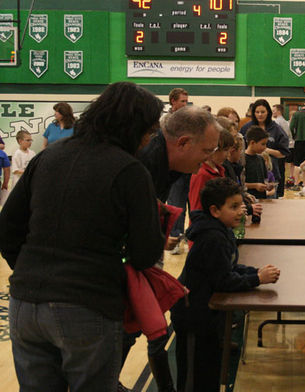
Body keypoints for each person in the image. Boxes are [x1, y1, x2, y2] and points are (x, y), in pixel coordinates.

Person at [0, 81, 164, 392]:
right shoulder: (130, 170)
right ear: (133, 126)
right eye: (149, 130)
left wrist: (27, 269)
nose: (149, 138)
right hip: (87, 303)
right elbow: (145, 253)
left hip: (25, 302)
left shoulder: (47, 158)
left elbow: (7, 228)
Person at [134, 104, 220, 392]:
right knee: (138, 333)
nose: (209, 158)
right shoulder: (143, 165)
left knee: (149, 333)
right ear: (183, 142)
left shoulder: (162, 165)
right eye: (207, 151)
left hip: (138, 263)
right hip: (116, 272)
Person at [171, 178, 280, 392]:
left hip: (208, 317)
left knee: (209, 370)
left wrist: (255, 272)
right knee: (194, 378)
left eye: (241, 205)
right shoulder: (212, 238)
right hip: (193, 316)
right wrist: (257, 279)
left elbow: (228, 267)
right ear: (215, 210)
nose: (241, 211)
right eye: (234, 207)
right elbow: (224, 280)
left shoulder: (222, 231)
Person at [240, 99, 289, 197]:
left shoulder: (276, 129)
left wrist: (266, 150)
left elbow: (284, 153)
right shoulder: (246, 127)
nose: (260, 115)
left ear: (268, 113)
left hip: (271, 170)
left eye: (262, 112)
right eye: (257, 112)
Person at [164, 88, 191, 254]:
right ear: (173, 101)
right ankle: (175, 237)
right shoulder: (166, 121)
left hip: (191, 167)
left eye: (187, 101)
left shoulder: (190, 120)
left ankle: (191, 236)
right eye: (182, 101)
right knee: (176, 204)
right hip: (175, 169)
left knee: (193, 204)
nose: (185, 104)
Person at [188, 127, 235, 212]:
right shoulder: (201, 174)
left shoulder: (220, 170)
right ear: (213, 149)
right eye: (225, 150)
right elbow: (196, 207)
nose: (228, 155)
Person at [272, 104, 293, 197]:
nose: (272, 112)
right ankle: (281, 192)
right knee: (282, 170)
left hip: (278, 150)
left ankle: (277, 192)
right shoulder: (286, 122)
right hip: (284, 149)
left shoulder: (277, 122)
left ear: (278, 111)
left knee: (277, 171)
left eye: (274, 110)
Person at [244, 126, 270, 199]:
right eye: (263, 144)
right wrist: (255, 185)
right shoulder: (242, 160)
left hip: (262, 198)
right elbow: (239, 184)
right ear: (252, 142)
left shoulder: (261, 159)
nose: (265, 147)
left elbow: (264, 179)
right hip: (249, 199)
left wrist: (267, 185)